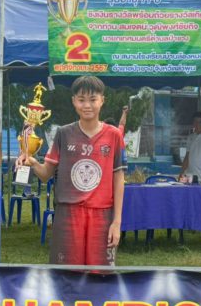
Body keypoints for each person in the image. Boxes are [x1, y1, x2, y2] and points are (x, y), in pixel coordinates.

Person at [18, 76, 127, 266]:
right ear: (74, 101)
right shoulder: (64, 133)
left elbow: (119, 179)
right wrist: (32, 162)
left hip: (102, 215)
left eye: (93, 99)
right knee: (66, 274)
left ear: (102, 100)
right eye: (81, 99)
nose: (87, 105)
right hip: (68, 215)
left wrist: (116, 222)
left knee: (100, 275)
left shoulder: (114, 135)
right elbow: (46, 175)